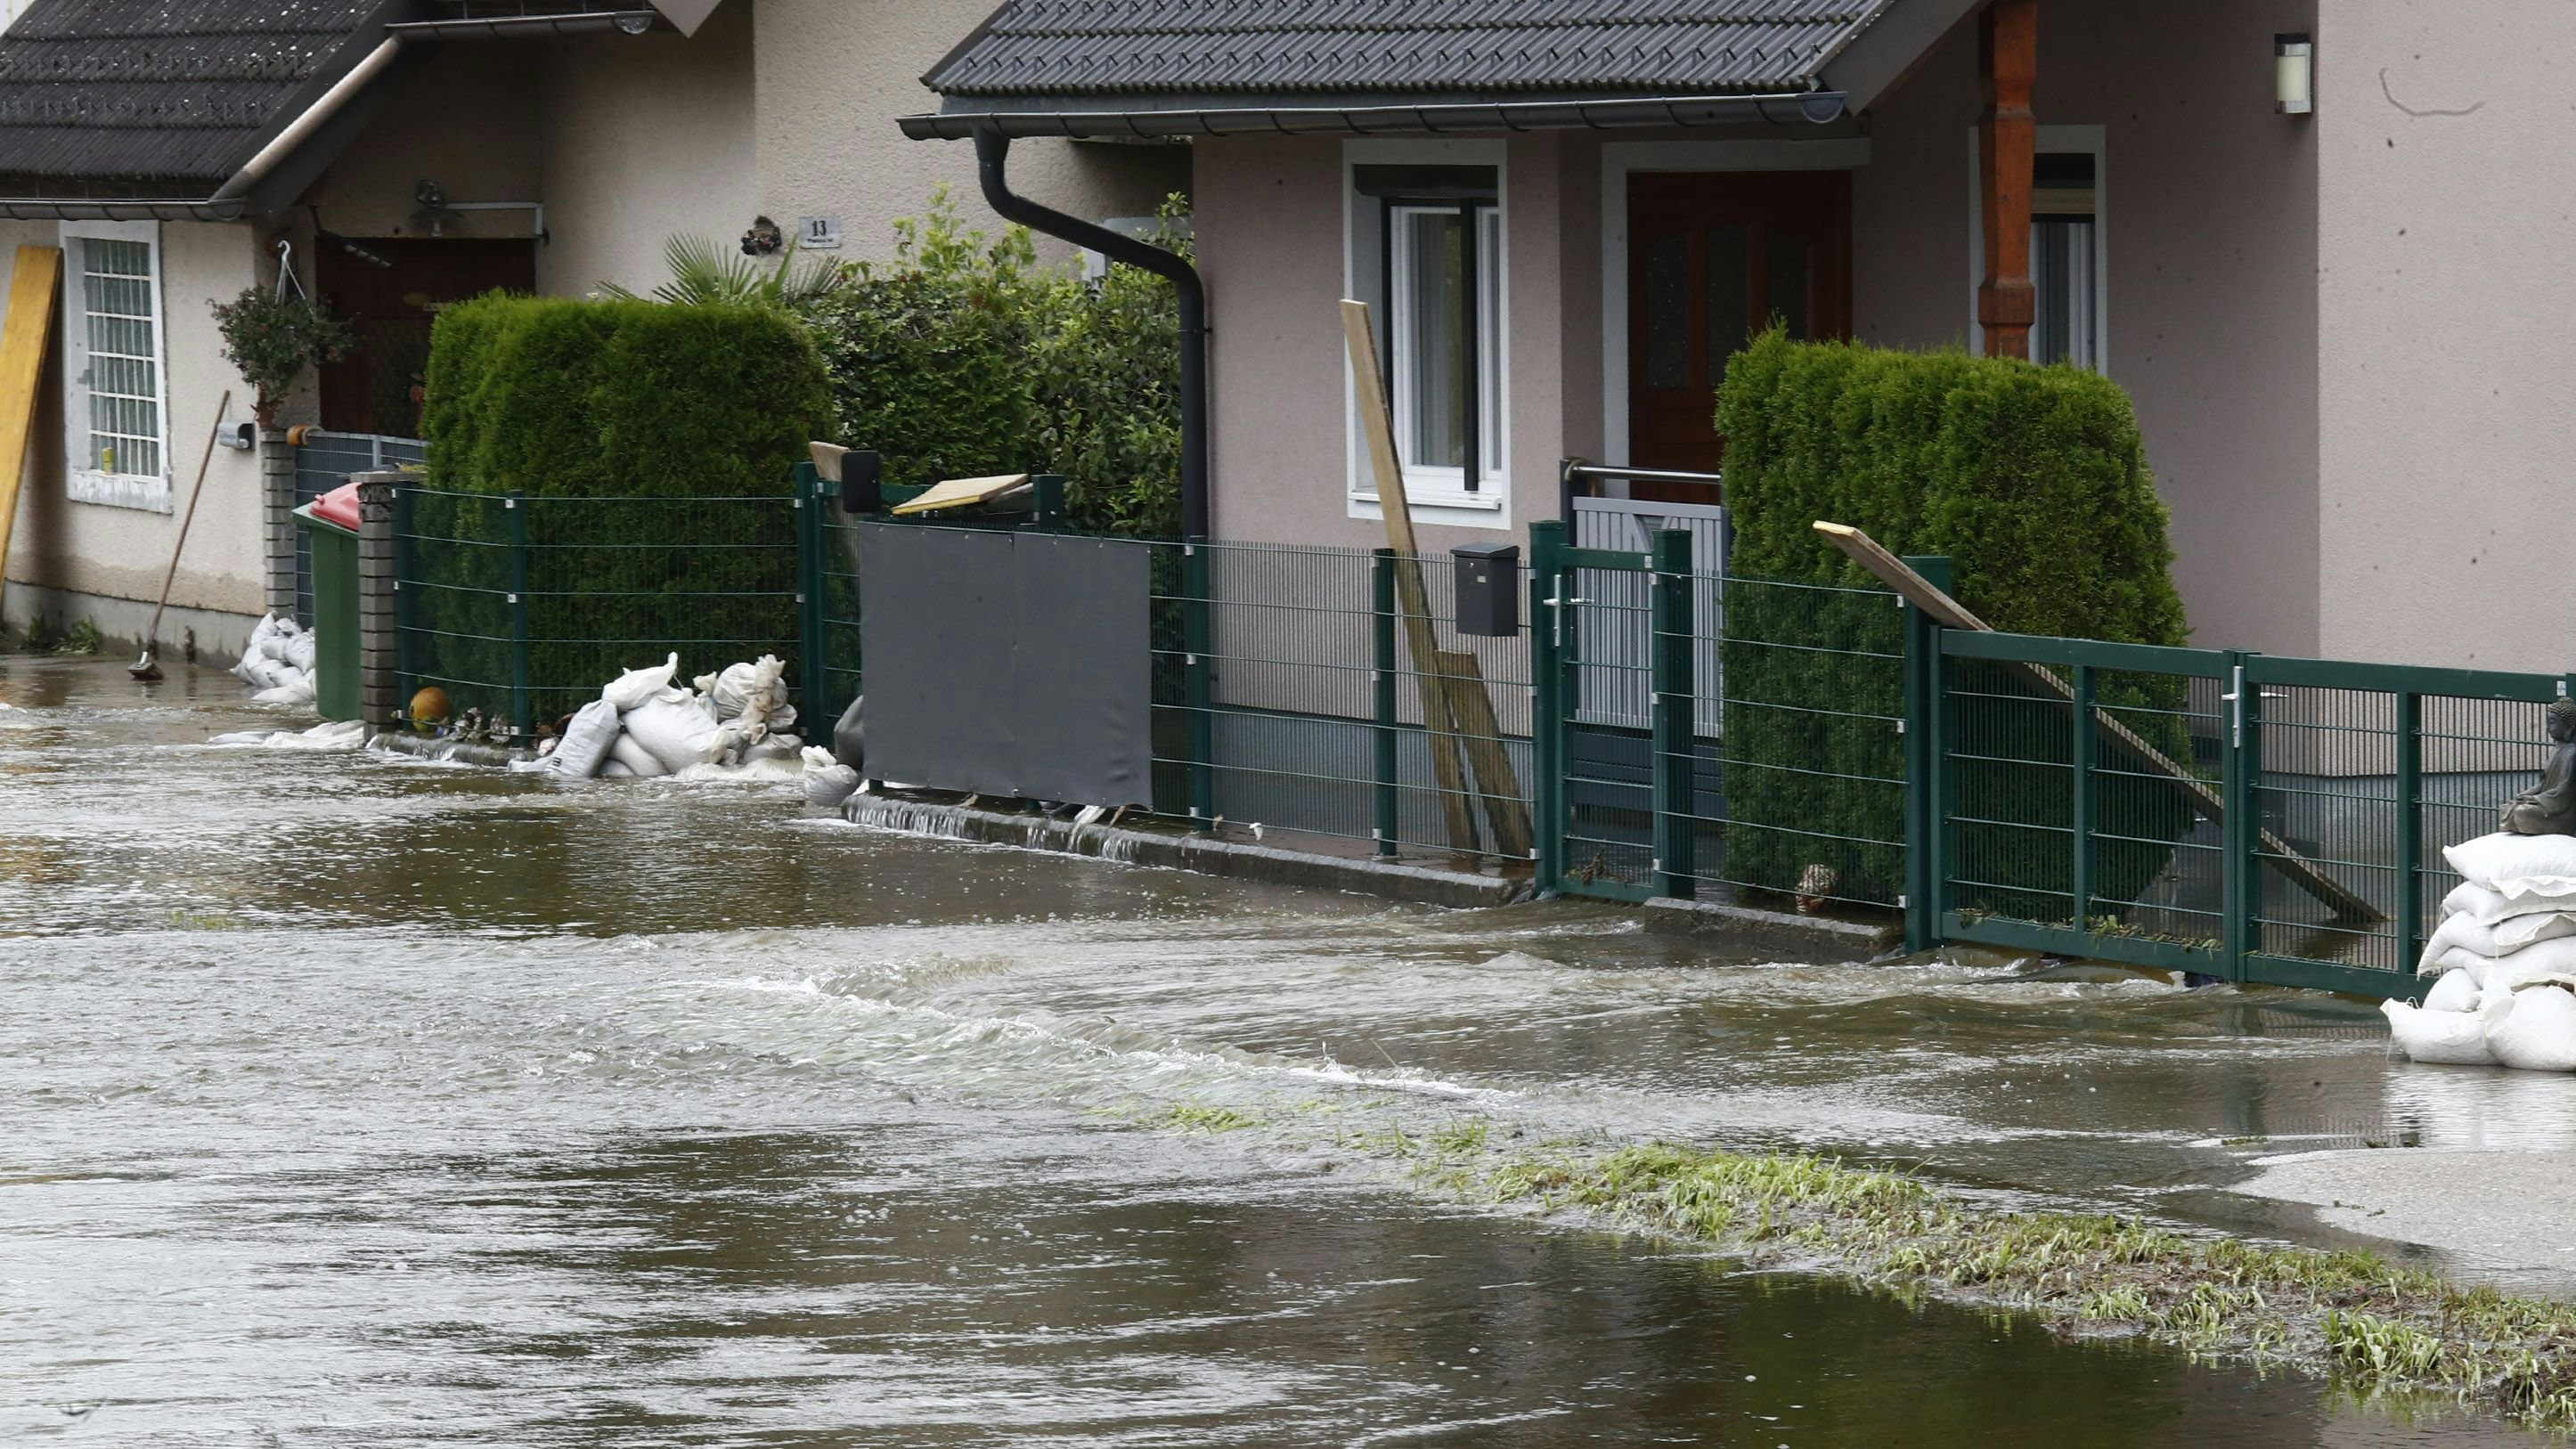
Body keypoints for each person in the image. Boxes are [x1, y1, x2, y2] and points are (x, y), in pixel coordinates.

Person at [2500, 696, 2576, 835]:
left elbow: (2564, 790)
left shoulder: (2572, 754)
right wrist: (2525, 794)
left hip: (2559, 812)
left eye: (2552, 722)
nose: (2548, 728)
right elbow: (2543, 784)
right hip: (2545, 802)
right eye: (2547, 722)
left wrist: (2536, 799)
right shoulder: (2556, 750)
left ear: (2569, 727)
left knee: (2523, 812)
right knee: (2509, 807)